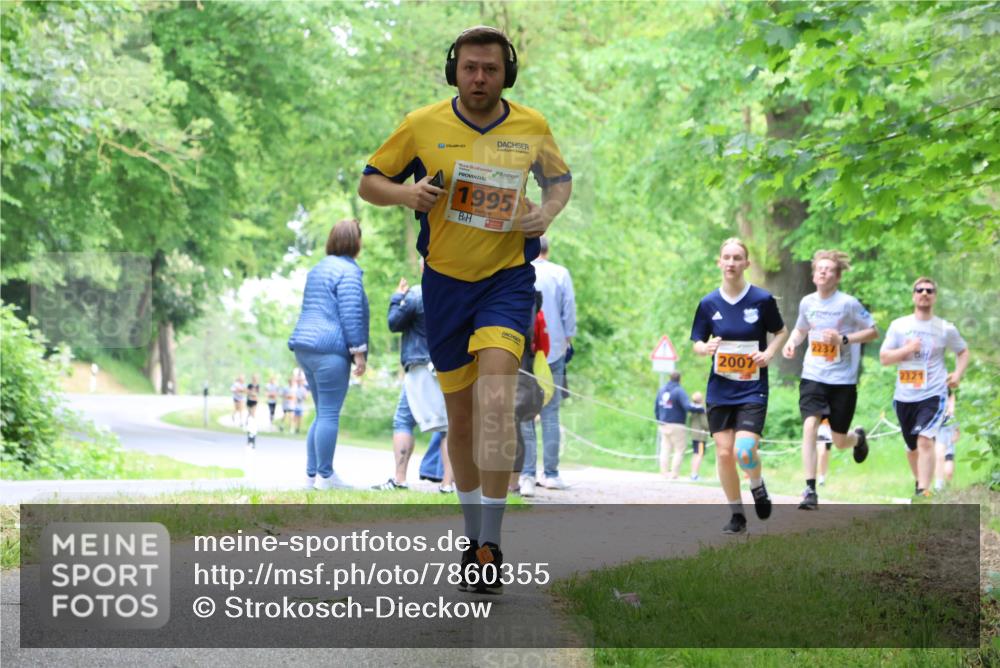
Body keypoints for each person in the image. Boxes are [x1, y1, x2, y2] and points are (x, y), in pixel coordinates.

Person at [358, 25, 572, 594]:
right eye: (471, 68)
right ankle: (471, 528)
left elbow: (559, 180)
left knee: (497, 399)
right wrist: (406, 194)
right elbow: (370, 181)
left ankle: (491, 544)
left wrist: (545, 212)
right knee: (462, 419)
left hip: (505, 280)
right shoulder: (422, 124)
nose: (480, 78)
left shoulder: (531, 126)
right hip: (444, 286)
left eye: (492, 69)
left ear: (508, 73)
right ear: (455, 69)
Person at [690, 238, 787, 535]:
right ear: (719, 262)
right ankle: (736, 515)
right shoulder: (708, 303)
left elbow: (781, 331)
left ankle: (756, 486)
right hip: (720, 389)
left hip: (751, 387)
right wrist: (704, 348)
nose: (731, 263)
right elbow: (696, 341)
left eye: (737, 258)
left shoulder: (761, 300)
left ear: (746, 263)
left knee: (744, 451)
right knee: (723, 453)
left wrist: (769, 354)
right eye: (726, 257)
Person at [781, 249, 879, 510]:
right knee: (810, 427)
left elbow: (872, 332)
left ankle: (857, 438)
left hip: (843, 380)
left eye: (829, 269)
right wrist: (791, 343)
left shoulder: (848, 304)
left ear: (836, 277)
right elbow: (802, 328)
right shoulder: (807, 303)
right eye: (819, 268)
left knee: (837, 440)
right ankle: (810, 490)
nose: (823, 272)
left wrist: (844, 339)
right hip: (813, 375)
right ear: (814, 274)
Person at [288, 219, 369, 491]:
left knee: (322, 412)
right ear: (355, 241)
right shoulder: (349, 272)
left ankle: (311, 478)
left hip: (304, 347)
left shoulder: (317, 269)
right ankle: (326, 476)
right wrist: (359, 352)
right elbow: (351, 314)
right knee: (329, 413)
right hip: (329, 349)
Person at [880, 277, 969, 497]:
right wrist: (906, 350)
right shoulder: (899, 326)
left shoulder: (945, 328)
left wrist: (957, 374)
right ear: (913, 295)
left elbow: (963, 351)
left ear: (934, 296)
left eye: (929, 290)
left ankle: (923, 491)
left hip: (933, 393)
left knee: (925, 440)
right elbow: (884, 358)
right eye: (920, 290)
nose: (924, 293)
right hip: (905, 394)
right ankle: (921, 483)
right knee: (912, 449)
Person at [374, 268, 449, 490]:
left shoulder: (417, 294)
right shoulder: (457, 294)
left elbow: (394, 323)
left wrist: (397, 297)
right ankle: (448, 484)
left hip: (419, 367)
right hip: (448, 366)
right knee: (449, 427)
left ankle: (399, 479)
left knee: (403, 421)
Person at [518, 235, 576, 493]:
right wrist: (567, 340)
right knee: (551, 413)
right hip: (552, 350)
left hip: (525, 352)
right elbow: (569, 309)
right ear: (548, 249)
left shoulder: (520, 271)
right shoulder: (560, 273)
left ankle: (527, 474)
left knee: (525, 413)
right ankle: (551, 473)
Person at [655, 372, 695, 479]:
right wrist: (699, 409)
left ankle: (664, 473)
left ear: (669, 378)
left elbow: (656, 408)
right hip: (677, 424)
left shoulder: (661, 390)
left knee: (665, 449)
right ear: (679, 379)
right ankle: (674, 473)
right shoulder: (679, 391)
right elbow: (687, 406)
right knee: (679, 450)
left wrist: (659, 420)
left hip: (663, 424)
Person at [934, 390, 959, 491]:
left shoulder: (951, 417)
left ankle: (947, 485)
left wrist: (956, 436)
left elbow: (957, 430)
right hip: (939, 443)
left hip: (949, 447)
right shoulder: (934, 416)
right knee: (939, 458)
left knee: (949, 471)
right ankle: (939, 484)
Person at [688, 391, 708, 481]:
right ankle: (694, 474)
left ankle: (693, 473)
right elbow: (705, 424)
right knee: (699, 454)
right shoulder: (701, 410)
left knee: (695, 454)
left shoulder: (692, 410)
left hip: (694, 435)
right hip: (701, 436)